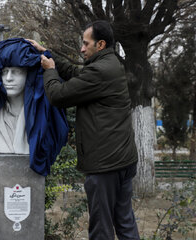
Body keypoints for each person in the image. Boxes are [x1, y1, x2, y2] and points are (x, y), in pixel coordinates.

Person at [28, 20, 140, 240]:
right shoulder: (110, 64)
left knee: (101, 229)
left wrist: (49, 71)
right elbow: (75, 74)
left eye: (85, 43)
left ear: (100, 44)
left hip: (105, 166)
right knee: (124, 222)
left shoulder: (99, 71)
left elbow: (58, 96)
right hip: (123, 160)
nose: (81, 48)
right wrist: (47, 53)